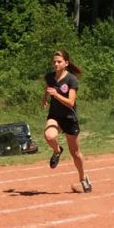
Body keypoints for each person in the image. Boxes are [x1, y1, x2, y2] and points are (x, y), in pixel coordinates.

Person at [42, 49, 91, 193]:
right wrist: (45, 98)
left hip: (69, 118)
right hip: (55, 116)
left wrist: (56, 94)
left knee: (75, 153)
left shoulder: (71, 79)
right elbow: (48, 87)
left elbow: (70, 102)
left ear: (66, 63)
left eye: (59, 61)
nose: (56, 64)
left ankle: (83, 178)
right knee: (49, 135)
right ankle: (57, 151)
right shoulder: (50, 77)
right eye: (54, 62)